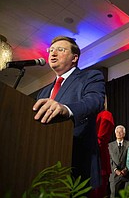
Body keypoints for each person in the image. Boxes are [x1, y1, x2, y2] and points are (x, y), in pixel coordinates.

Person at [33, 36, 105, 189]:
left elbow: (95, 101)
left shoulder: (90, 76)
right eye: (51, 50)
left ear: (74, 57)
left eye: (60, 50)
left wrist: (67, 109)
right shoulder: (43, 92)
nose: (53, 54)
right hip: (42, 161)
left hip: (76, 160)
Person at [91, 96, 115, 198]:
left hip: (98, 158)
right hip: (88, 159)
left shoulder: (106, 115)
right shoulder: (90, 116)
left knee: (97, 192)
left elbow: (100, 140)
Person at [109, 125, 129, 198]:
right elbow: (109, 159)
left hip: (126, 174)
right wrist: (115, 169)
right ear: (115, 133)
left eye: (121, 132)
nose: (119, 133)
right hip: (114, 175)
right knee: (113, 195)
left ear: (124, 134)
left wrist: (126, 169)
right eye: (117, 132)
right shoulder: (110, 145)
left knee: (126, 195)